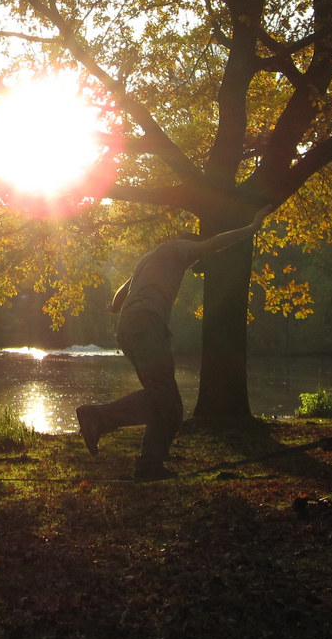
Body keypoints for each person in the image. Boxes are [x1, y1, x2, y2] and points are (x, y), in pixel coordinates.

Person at [76, 206, 272, 481]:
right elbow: (214, 244)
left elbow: (125, 288)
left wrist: (114, 305)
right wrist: (251, 229)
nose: (194, 266)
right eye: (195, 261)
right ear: (189, 243)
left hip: (129, 327)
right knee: (163, 397)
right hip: (147, 324)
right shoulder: (179, 248)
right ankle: (98, 417)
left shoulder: (150, 258)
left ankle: (150, 465)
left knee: (169, 404)